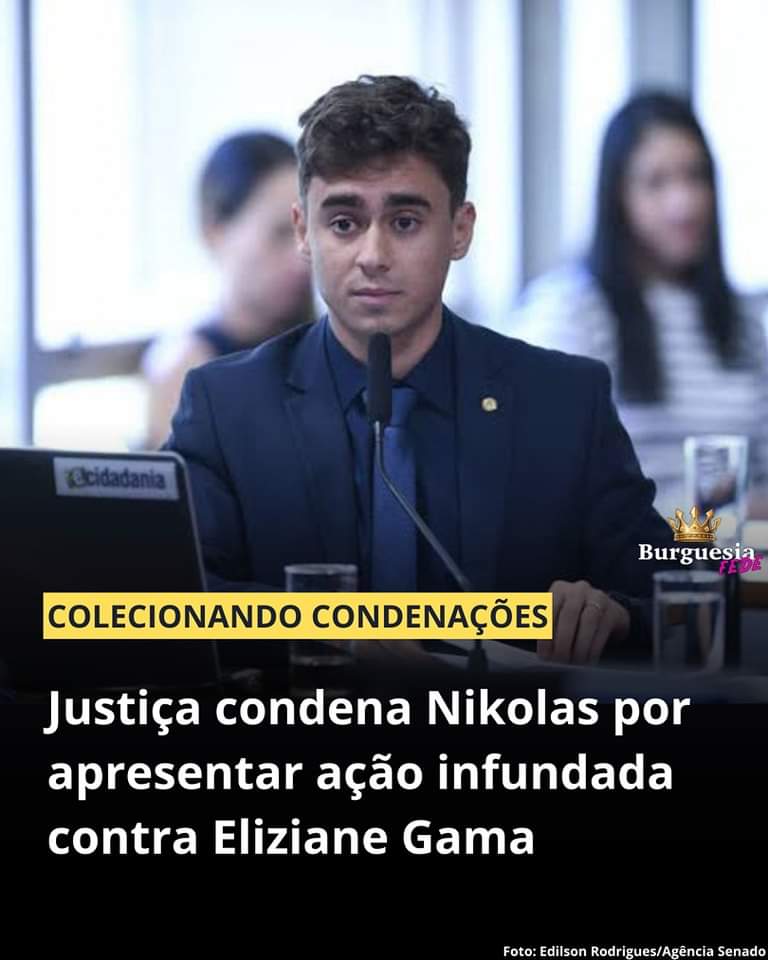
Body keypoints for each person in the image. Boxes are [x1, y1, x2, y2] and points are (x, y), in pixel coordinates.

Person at [166, 75, 673, 665]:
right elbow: (169, 600)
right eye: (344, 223)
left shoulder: (563, 401)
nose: (373, 256)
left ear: (460, 229)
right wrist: (338, 632)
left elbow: (679, 583)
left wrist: (615, 613)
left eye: (405, 221)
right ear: (304, 231)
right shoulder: (225, 405)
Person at [514, 91, 768, 517]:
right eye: (656, 182)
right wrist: (712, 521)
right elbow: (539, 487)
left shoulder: (743, 321)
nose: (684, 203)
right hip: (630, 555)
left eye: (696, 176)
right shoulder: (570, 310)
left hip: (738, 551)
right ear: (618, 196)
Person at [143, 131, 313, 448]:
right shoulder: (185, 369)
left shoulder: (331, 346)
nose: (302, 258)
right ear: (215, 232)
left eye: (309, 232)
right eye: (279, 234)